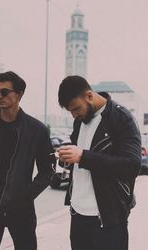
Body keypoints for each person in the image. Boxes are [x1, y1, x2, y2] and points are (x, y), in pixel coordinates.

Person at [0, 71, 54, 250]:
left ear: (19, 94)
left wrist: (27, 194)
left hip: (22, 210)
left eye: (4, 92)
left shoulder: (36, 130)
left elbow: (47, 170)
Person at [57, 75, 141, 250]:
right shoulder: (80, 121)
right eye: (70, 111)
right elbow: (82, 159)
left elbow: (132, 165)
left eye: (76, 108)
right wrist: (69, 159)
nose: (74, 114)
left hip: (108, 217)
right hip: (77, 213)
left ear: (89, 96)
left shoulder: (121, 117)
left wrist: (83, 157)